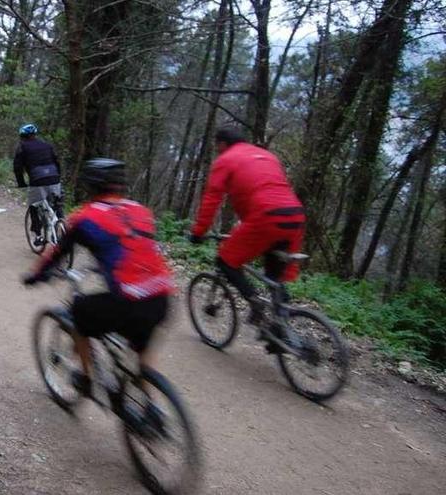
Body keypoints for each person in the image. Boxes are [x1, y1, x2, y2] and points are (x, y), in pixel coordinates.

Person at [23, 159, 174, 413]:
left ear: (90, 186)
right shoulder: (142, 211)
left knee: (79, 314)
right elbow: (137, 250)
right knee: (141, 346)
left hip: (128, 301)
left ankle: (86, 378)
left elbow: (57, 253)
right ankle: (149, 404)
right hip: (162, 295)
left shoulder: (85, 218)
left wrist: (35, 275)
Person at [189, 127, 305, 336]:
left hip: (266, 215)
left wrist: (198, 232)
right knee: (274, 277)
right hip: (294, 215)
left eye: (217, 147)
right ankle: (280, 330)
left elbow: (212, 199)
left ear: (222, 144)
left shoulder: (226, 160)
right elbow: (264, 187)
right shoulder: (268, 156)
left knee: (225, 261)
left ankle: (255, 302)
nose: (217, 151)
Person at [13, 124, 63, 246]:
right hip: (54, 178)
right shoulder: (47, 145)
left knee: (34, 206)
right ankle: (60, 223)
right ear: (35, 135)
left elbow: (17, 167)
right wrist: (57, 177)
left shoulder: (22, 147)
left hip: (37, 180)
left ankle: (38, 235)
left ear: (22, 137)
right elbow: (57, 162)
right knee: (56, 203)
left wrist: (21, 183)